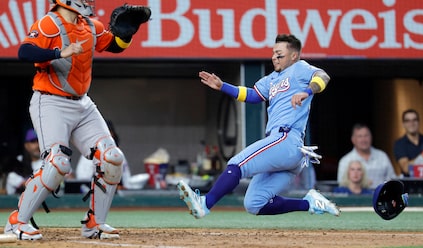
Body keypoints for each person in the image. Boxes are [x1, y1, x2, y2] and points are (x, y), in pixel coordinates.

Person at [4, 0, 150, 240]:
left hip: (82, 103)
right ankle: (17, 222)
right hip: (50, 102)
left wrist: (125, 35)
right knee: (57, 164)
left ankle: (95, 224)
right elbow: (25, 51)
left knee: (112, 158)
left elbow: (114, 45)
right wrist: (60, 52)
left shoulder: (90, 26)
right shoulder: (49, 23)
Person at [177, 34, 340, 219]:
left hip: (286, 138)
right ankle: (310, 203)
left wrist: (307, 91)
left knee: (237, 164)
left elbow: (323, 76)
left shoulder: (299, 68)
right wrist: (223, 86)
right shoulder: (271, 79)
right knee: (254, 203)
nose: (274, 57)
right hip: (287, 150)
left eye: (279, 54)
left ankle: (204, 204)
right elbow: (253, 95)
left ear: (293, 56)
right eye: (273, 53)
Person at [75, 120, 149, 190]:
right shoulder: (90, 154)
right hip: (97, 197)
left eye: (110, 135)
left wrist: (121, 189)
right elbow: (83, 184)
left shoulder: (118, 154)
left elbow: (126, 181)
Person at [337, 123, 396, 189]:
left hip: (381, 198)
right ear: (353, 140)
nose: (363, 140)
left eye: (366, 136)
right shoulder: (345, 161)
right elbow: (342, 185)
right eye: (360, 136)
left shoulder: (382, 156)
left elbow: (392, 181)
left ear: (371, 137)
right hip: (356, 198)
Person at [393, 109, 423, 177]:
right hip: (411, 185)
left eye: (414, 120)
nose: (411, 123)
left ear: (419, 122)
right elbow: (406, 168)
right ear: (403, 124)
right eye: (408, 121)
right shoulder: (400, 144)